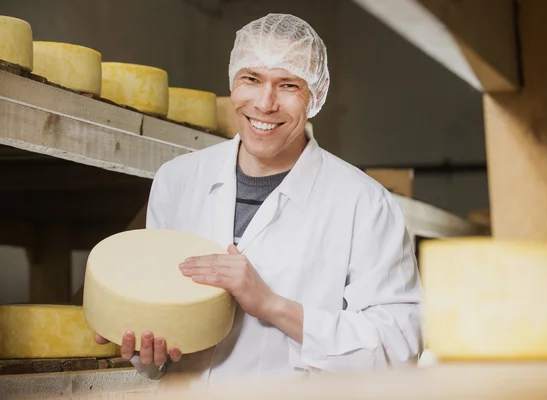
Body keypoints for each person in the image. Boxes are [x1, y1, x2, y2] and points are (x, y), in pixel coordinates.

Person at [95, 13, 423, 387]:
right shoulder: (178, 179)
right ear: (233, 81)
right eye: (251, 79)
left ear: (315, 95)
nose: (265, 103)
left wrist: (271, 305)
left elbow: (400, 347)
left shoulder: (364, 203)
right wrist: (144, 346)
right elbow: (162, 325)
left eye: (288, 85)